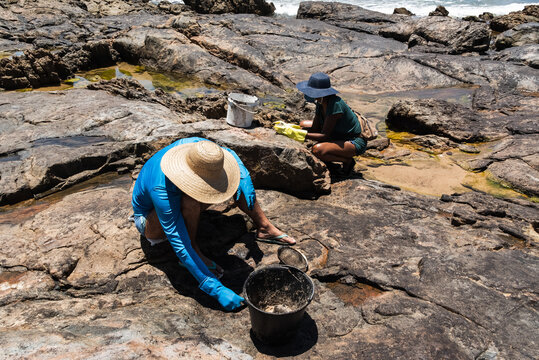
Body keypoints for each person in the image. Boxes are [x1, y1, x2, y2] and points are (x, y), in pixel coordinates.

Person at [131, 137, 295, 311]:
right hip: (150, 220)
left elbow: (229, 154)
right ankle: (196, 249)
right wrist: (214, 288)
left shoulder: (199, 148)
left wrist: (244, 178)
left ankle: (264, 227)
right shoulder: (161, 189)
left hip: (178, 197)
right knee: (190, 203)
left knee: (230, 178)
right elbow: (179, 244)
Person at [297, 72, 367, 175]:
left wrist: (300, 134)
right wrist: (295, 129)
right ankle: (333, 159)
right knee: (303, 124)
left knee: (317, 150)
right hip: (336, 134)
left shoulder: (335, 104)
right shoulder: (321, 103)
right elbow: (315, 129)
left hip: (353, 141)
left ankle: (347, 161)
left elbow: (324, 135)